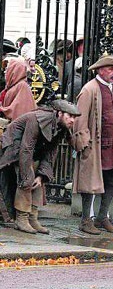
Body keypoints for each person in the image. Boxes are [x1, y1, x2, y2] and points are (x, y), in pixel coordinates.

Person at [71, 54, 113, 235]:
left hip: (112, 145)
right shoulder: (89, 89)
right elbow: (79, 118)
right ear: (100, 70)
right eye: (110, 69)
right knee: (90, 183)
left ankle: (101, 217)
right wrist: (83, 143)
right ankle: (85, 220)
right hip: (94, 145)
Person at [0, 99, 80, 233]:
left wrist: (42, 175)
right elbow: (26, 148)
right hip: (13, 147)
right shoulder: (37, 119)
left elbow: (50, 154)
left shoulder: (61, 127)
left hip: (30, 151)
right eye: (69, 116)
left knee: (37, 180)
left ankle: (32, 217)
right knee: (26, 176)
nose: (72, 120)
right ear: (59, 113)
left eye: (74, 117)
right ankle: (22, 217)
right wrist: (27, 175)